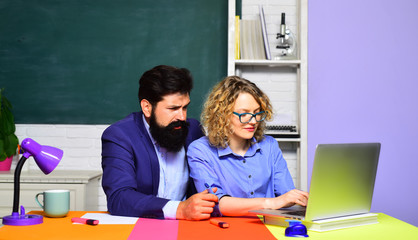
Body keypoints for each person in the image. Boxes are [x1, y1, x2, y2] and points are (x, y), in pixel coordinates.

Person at [101, 65, 218, 220]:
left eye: (185, 108)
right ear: (147, 107)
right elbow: (119, 197)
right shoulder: (119, 136)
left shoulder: (194, 131)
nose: (182, 117)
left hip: (189, 227)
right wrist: (180, 209)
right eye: (173, 108)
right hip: (141, 227)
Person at [187, 76, 309, 216]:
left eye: (257, 113)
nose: (253, 121)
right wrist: (271, 203)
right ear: (222, 115)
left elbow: (286, 194)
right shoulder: (200, 150)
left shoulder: (269, 146)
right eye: (244, 114)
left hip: (269, 228)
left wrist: (301, 199)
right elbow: (215, 203)